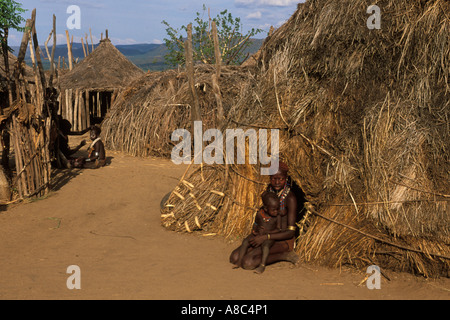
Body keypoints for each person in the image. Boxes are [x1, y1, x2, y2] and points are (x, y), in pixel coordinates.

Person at [229, 161, 299, 270]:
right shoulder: (268, 193)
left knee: (248, 263)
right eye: (273, 178)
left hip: (283, 240)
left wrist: (266, 237)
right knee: (235, 257)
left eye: (280, 179)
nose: (276, 182)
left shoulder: (290, 199)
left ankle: (284, 255)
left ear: (286, 179)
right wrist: (258, 232)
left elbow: (290, 232)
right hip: (266, 235)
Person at [233, 191, 281, 274]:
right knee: (245, 241)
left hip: (269, 236)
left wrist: (267, 232)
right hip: (258, 234)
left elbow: (279, 230)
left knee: (265, 246)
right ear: (266, 208)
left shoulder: (277, 217)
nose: (276, 211)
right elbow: (255, 223)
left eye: (277, 209)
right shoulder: (259, 214)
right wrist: (254, 230)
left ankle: (262, 265)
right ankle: (239, 262)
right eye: (273, 210)